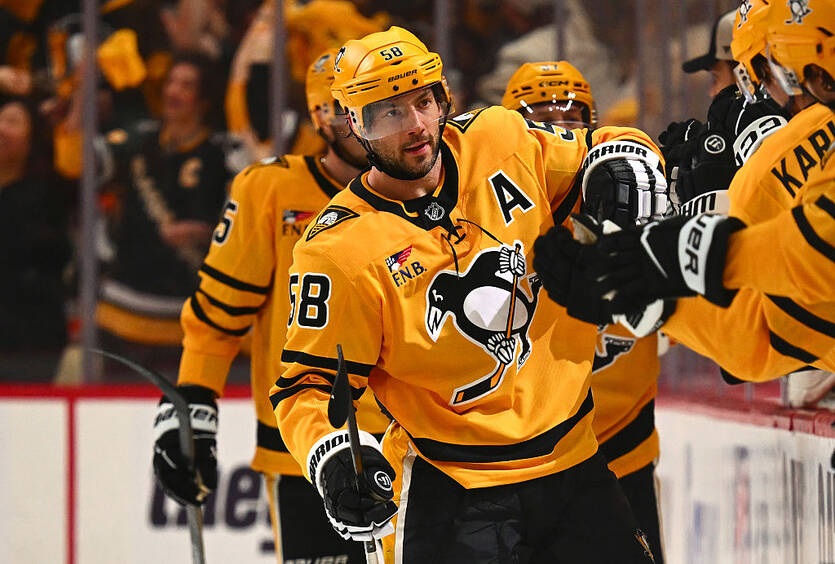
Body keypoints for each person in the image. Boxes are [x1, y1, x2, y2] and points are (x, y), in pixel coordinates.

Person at [271, 26, 667, 562]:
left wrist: (627, 165)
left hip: (574, 465)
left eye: (423, 101)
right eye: (389, 112)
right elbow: (306, 385)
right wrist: (332, 456)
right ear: (355, 123)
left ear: (443, 99)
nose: (415, 125)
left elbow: (606, 147)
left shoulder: (500, 138)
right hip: (450, 489)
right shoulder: (337, 249)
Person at [150, 49, 392, 563]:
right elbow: (218, 314)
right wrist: (193, 401)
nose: (364, 124)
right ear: (320, 116)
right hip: (308, 449)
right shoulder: (271, 189)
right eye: (349, 110)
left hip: (422, 443)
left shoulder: (430, 188)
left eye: (378, 106)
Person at [532, 0, 835, 384]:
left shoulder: (776, 160)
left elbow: (822, 250)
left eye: (769, 72)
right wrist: (646, 292)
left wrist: (690, 254)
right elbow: (766, 337)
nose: (769, 96)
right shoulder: (781, 158)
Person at [501, 60, 666, 563]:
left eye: (572, 118)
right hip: (525, 463)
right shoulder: (493, 223)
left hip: (623, 450)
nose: (560, 131)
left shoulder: (635, 202)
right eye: (543, 120)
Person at [57, 51, 229, 379]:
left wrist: (205, 233)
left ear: (204, 100)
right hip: (121, 308)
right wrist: (83, 90)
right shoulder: (137, 142)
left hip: (186, 312)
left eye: (187, 86)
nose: (173, 91)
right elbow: (73, 162)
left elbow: (244, 227)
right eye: (171, 83)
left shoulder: (221, 154)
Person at [0, 95, 72, 381]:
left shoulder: (48, 193)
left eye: (12, 122)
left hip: (29, 337)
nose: (1, 128)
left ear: (32, 140)